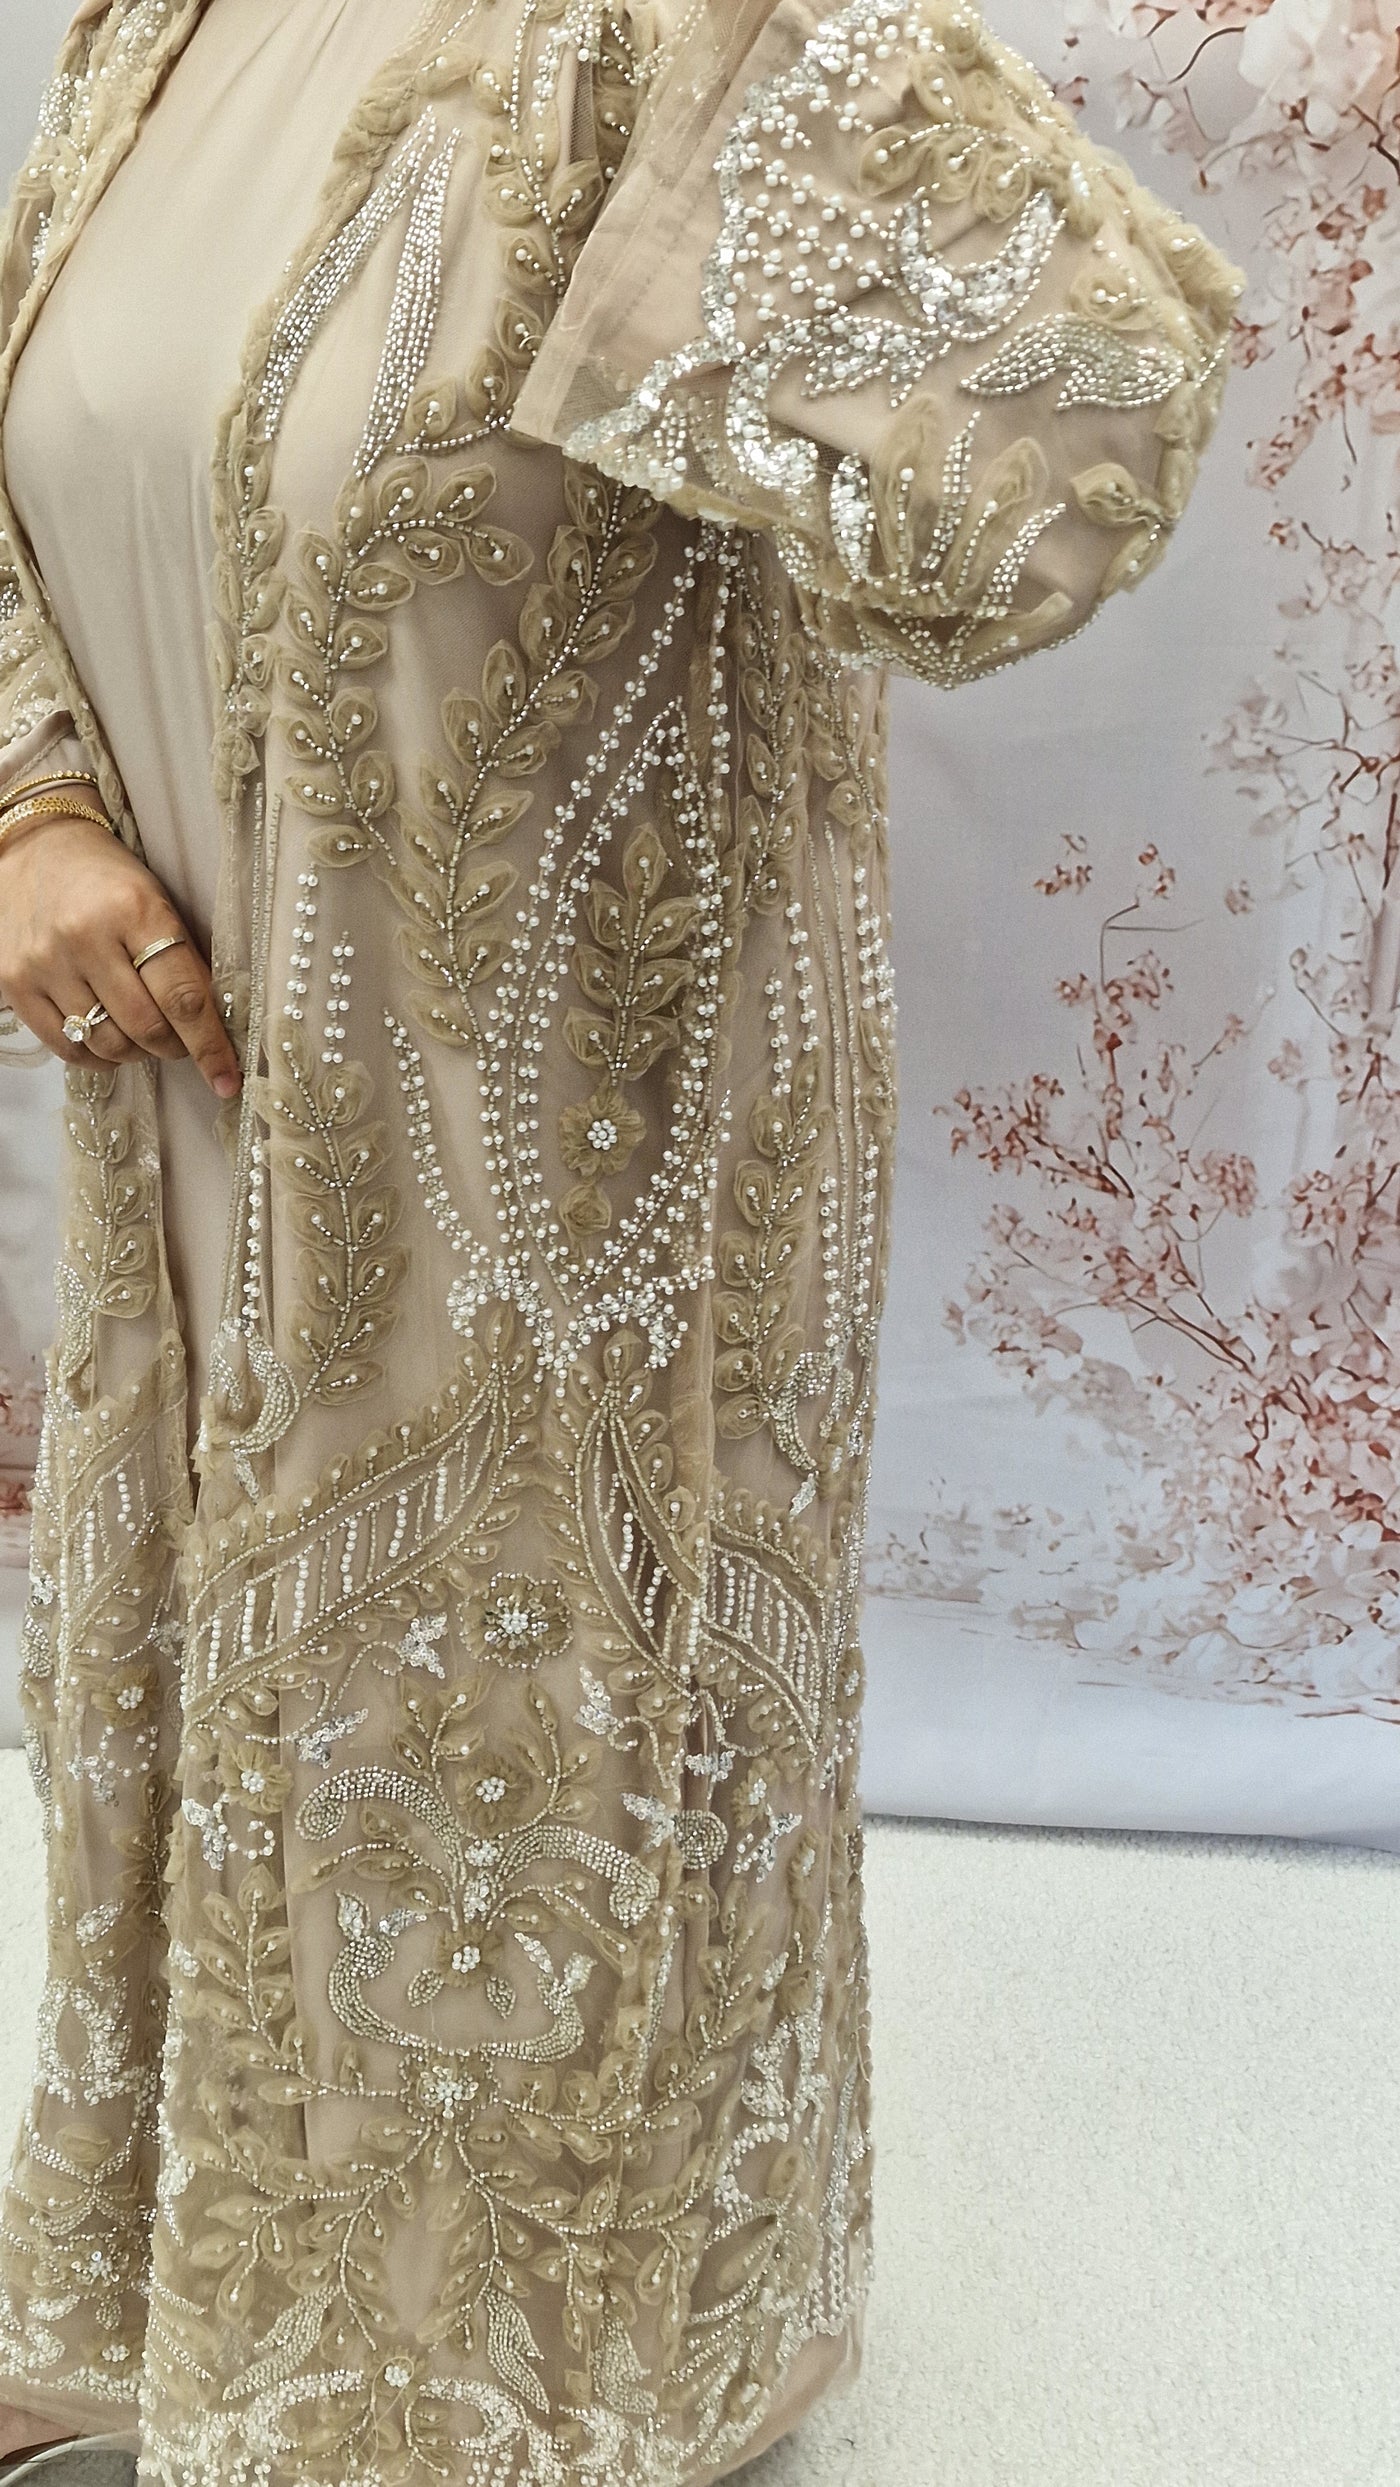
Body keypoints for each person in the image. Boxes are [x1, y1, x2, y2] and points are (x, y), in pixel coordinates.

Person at [0, 2, 1240, 2483]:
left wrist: (764, 115)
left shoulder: (669, 33)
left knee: (501, 1721)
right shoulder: (153, 26)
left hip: (560, 1158)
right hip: (202, 1111)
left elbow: (1069, 462)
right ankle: (199, 2304)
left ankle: (502, 2384)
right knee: (218, 1656)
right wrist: (27, 807)